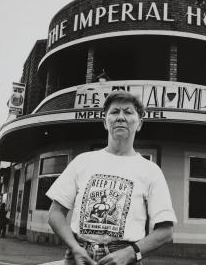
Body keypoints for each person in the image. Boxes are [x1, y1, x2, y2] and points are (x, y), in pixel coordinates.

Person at [46, 90, 177, 265]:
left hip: (125, 258)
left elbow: (166, 231)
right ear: (105, 122)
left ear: (139, 124)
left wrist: (132, 253)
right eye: (114, 112)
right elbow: (55, 213)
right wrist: (74, 247)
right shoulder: (83, 161)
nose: (121, 117)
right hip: (79, 257)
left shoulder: (150, 170)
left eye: (128, 112)